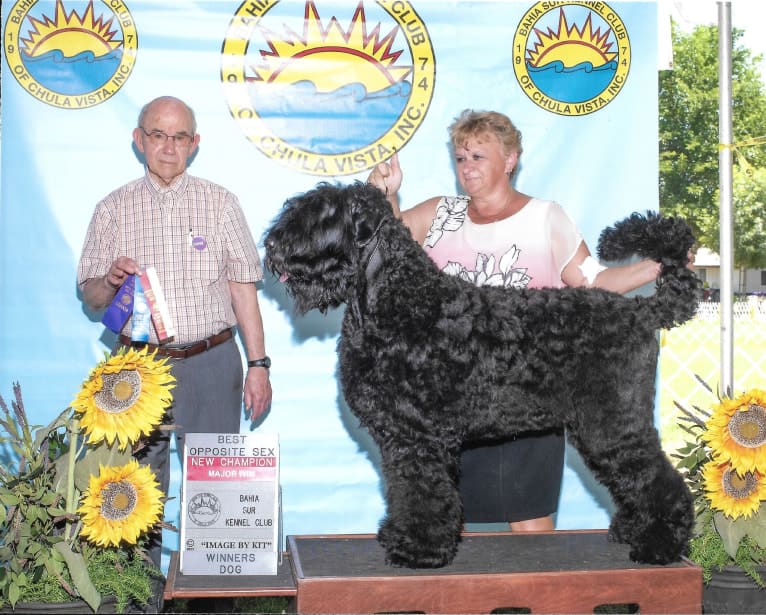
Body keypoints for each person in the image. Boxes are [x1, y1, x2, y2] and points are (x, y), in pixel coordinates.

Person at [366, 109, 661, 532]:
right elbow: (385, 245)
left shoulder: (545, 216)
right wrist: (386, 195)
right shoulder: (438, 214)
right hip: (456, 389)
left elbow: (591, 281)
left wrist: (652, 269)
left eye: (478, 157)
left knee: (529, 523)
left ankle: (544, 598)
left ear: (510, 159)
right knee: (454, 521)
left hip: (531, 381)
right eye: (460, 158)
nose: (466, 168)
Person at [77, 95, 272, 565]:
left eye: (179, 136)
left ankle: (215, 596)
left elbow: (244, 289)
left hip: (213, 361)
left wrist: (260, 365)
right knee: (134, 493)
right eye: (158, 135)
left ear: (195, 144)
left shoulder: (221, 203)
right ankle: (140, 594)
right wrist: (111, 280)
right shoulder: (112, 208)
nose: (168, 146)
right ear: (138, 139)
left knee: (219, 491)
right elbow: (90, 295)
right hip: (136, 371)